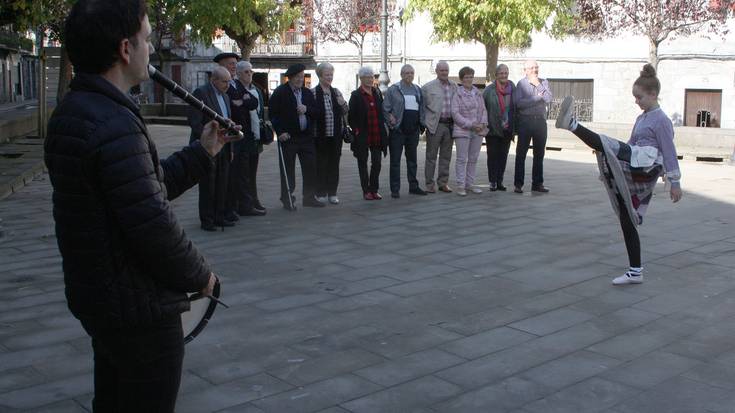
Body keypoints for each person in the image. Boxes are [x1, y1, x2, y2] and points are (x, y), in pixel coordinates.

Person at [45, 0, 228, 410]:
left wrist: (202, 152)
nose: (149, 49)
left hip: (102, 298)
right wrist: (202, 276)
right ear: (125, 50)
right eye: (146, 39)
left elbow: (143, 188)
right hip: (137, 309)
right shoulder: (113, 123)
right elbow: (151, 221)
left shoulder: (76, 111)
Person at [555, 64, 682, 285]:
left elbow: (669, 152)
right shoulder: (642, 118)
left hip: (646, 167)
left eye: (639, 97)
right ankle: (635, 271)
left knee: (607, 143)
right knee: (627, 217)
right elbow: (631, 144)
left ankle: (572, 124)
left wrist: (675, 181)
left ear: (653, 95)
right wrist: (611, 162)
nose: (637, 101)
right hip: (636, 161)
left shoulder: (661, 120)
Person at [269, 63, 324, 210]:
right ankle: (287, 198)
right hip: (289, 137)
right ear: (291, 78)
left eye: (302, 76)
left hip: (306, 137)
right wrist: (279, 132)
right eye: (297, 77)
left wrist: (307, 109)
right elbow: (273, 115)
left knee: (310, 167)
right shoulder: (280, 92)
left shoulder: (306, 93)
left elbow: (317, 112)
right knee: (288, 170)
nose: (300, 79)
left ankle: (309, 197)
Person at [189, 66, 236, 230]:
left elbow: (227, 121)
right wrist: (208, 136)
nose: (227, 85)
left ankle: (219, 216)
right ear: (213, 80)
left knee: (222, 182)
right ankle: (207, 219)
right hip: (207, 146)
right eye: (224, 82)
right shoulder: (201, 93)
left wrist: (230, 148)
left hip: (223, 144)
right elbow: (195, 121)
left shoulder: (226, 96)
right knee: (208, 183)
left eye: (229, 82)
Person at [227, 60, 266, 217]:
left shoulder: (253, 89)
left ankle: (253, 200)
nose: (250, 74)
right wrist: (245, 100)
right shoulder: (234, 87)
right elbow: (237, 105)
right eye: (246, 72)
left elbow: (254, 103)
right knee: (242, 173)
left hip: (254, 136)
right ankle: (244, 205)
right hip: (241, 137)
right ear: (238, 73)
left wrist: (243, 101)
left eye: (251, 72)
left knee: (252, 172)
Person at [383, 64, 427, 198]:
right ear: (401, 75)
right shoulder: (393, 89)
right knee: (395, 161)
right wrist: (390, 118)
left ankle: (413, 186)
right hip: (398, 131)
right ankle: (395, 189)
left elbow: (422, 108)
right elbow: (385, 108)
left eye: (411, 73)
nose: (409, 75)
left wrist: (422, 124)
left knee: (412, 161)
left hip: (413, 131)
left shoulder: (417, 90)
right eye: (406, 73)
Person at [349, 66, 389, 200]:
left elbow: (381, 111)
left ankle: (374, 189)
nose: (371, 79)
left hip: (376, 132)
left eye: (372, 77)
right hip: (363, 135)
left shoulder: (377, 92)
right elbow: (351, 117)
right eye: (367, 77)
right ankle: (366, 190)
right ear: (361, 78)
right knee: (362, 162)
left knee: (377, 162)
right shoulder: (356, 95)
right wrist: (356, 131)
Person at [513, 59, 552, 193]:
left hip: (540, 122)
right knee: (521, 154)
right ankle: (518, 184)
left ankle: (537, 183)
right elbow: (519, 104)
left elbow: (548, 99)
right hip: (525, 122)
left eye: (536, 67)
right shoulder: (521, 84)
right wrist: (536, 98)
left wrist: (538, 85)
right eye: (531, 68)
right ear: (525, 70)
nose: (535, 70)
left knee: (539, 154)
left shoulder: (544, 82)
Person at [312, 62, 348, 204]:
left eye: (331, 75)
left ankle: (332, 192)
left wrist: (342, 103)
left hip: (335, 136)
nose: (329, 77)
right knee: (320, 165)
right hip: (319, 136)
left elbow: (345, 111)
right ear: (320, 76)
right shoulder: (313, 93)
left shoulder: (336, 92)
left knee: (334, 165)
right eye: (327, 75)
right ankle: (320, 192)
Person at [451, 66, 488, 196]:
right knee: (462, 159)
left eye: (471, 77)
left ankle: (470, 184)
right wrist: (471, 124)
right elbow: (455, 114)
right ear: (461, 79)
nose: (469, 79)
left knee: (473, 158)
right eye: (466, 77)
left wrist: (482, 123)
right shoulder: (457, 94)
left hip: (478, 130)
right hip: (463, 130)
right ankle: (460, 185)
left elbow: (483, 110)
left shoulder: (478, 93)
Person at [421, 60, 457, 193]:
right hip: (435, 125)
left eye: (446, 70)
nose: (444, 73)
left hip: (450, 125)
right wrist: (426, 123)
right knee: (431, 156)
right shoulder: (427, 87)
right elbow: (422, 107)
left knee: (446, 156)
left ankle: (443, 183)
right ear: (436, 71)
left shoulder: (454, 86)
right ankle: (429, 184)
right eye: (441, 70)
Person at [483, 64, 516, 191]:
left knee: (503, 156)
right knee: (492, 156)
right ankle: (492, 182)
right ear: (496, 75)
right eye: (501, 73)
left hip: (507, 129)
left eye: (506, 73)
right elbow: (482, 108)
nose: (504, 75)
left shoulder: (512, 87)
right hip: (492, 129)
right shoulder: (489, 90)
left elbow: (516, 107)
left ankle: (499, 181)